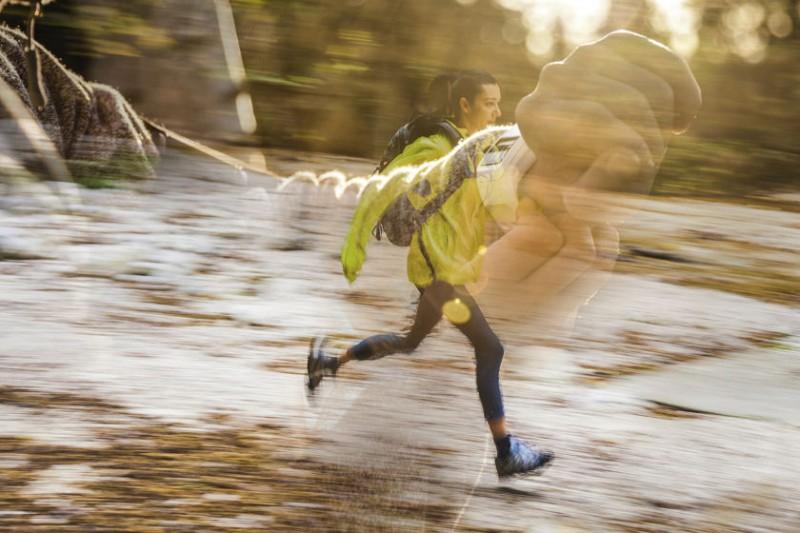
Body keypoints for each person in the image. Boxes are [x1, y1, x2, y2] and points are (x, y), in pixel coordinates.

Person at [308, 31, 701, 479]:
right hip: (444, 277)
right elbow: (390, 199)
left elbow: (487, 181)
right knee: (490, 350)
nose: (497, 109)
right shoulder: (441, 162)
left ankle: (330, 363)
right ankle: (505, 451)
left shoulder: (469, 157)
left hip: (437, 278)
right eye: (489, 102)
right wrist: (356, 250)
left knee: (410, 342)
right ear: (464, 106)